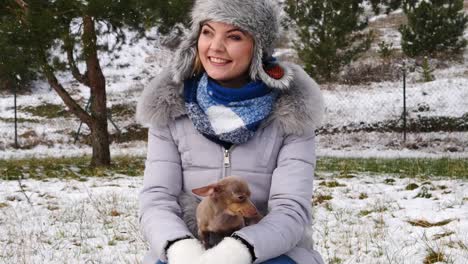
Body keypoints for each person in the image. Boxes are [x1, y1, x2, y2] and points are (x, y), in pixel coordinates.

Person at [136, 0, 325, 263]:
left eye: (234, 36)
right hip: (189, 247)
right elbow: (157, 200)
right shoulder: (170, 107)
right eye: (207, 32)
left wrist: (238, 250)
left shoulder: (291, 113)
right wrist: (180, 248)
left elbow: (291, 210)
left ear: (258, 46)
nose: (215, 47)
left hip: (269, 249)